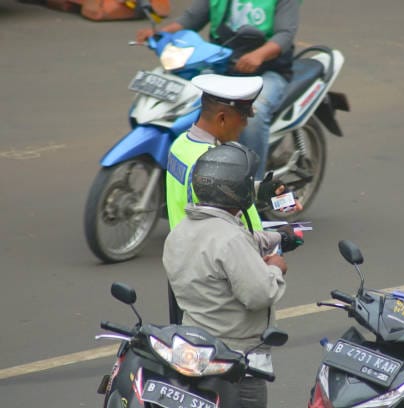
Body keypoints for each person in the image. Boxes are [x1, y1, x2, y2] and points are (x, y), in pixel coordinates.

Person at [165, 73, 303, 323]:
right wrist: (278, 240)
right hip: (217, 276)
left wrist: (263, 191)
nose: (245, 127)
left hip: (188, 266)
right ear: (222, 118)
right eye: (243, 119)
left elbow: (214, 197)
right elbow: (222, 230)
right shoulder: (209, 162)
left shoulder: (182, 145)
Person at [163, 142, 288, 408]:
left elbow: (224, 246)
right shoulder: (230, 239)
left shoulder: (180, 233)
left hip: (195, 351)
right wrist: (276, 267)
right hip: (237, 362)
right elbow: (259, 294)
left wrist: (276, 238)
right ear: (235, 191)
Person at [136, 0, 300, 180]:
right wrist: (159, 34)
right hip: (221, 64)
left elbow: (285, 34)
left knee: (253, 115)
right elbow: (191, 19)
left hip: (267, 71)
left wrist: (258, 55)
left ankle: (254, 187)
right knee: (184, 101)